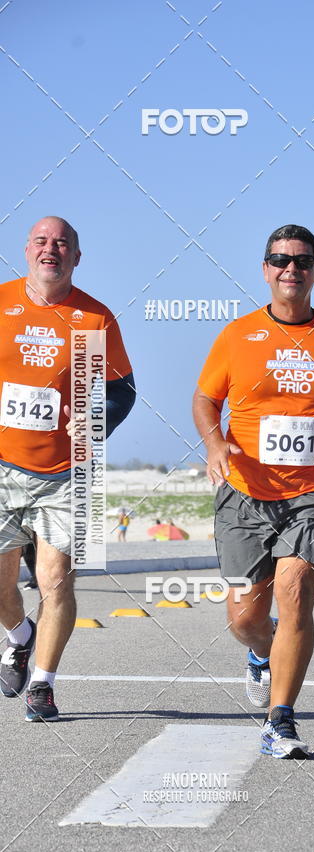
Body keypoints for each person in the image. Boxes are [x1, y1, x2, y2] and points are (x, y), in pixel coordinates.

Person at [193, 224, 314, 759]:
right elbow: (206, 400)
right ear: (265, 269)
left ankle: (281, 721)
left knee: (295, 591)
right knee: (245, 617)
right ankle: (261, 652)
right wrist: (214, 445)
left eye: (302, 261)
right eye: (280, 259)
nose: (290, 269)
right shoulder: (236, 336)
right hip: (245, 493)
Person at [0, 216, 135, 721]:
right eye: (41, 241)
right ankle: (18, 635)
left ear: (77, 257)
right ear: (26, 250)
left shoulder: (94, 319)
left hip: (69, 470)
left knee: (57, 581)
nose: (50, 249)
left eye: (62, 243)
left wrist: (96, 419)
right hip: (2, 465)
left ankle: (43, 683)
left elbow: (123, 390)